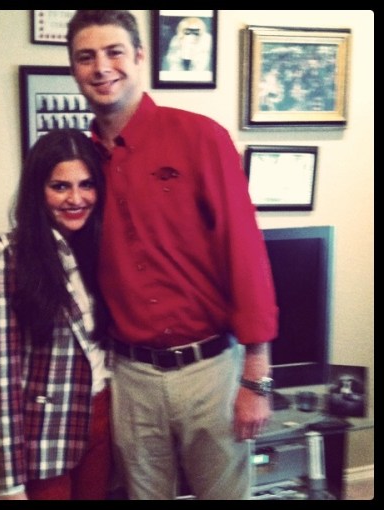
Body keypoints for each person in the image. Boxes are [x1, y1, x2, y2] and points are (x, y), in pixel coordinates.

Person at [66, 11, 279, 500]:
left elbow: (245, 252)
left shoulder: (200, 138)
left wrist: (257, 376)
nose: (102, 67)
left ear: (139, 56)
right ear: (75, 69)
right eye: (86, 57)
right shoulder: (80, 166)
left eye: (114, 52)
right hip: (130, 375)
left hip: (210, 372)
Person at [0, 129, 112, 500]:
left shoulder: (100, 248)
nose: (76, 198)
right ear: (37, 190)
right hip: (42, 435)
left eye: (86, 184)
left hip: (102, 420)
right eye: (60, 186)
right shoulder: (6, 254)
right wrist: (9, 485)